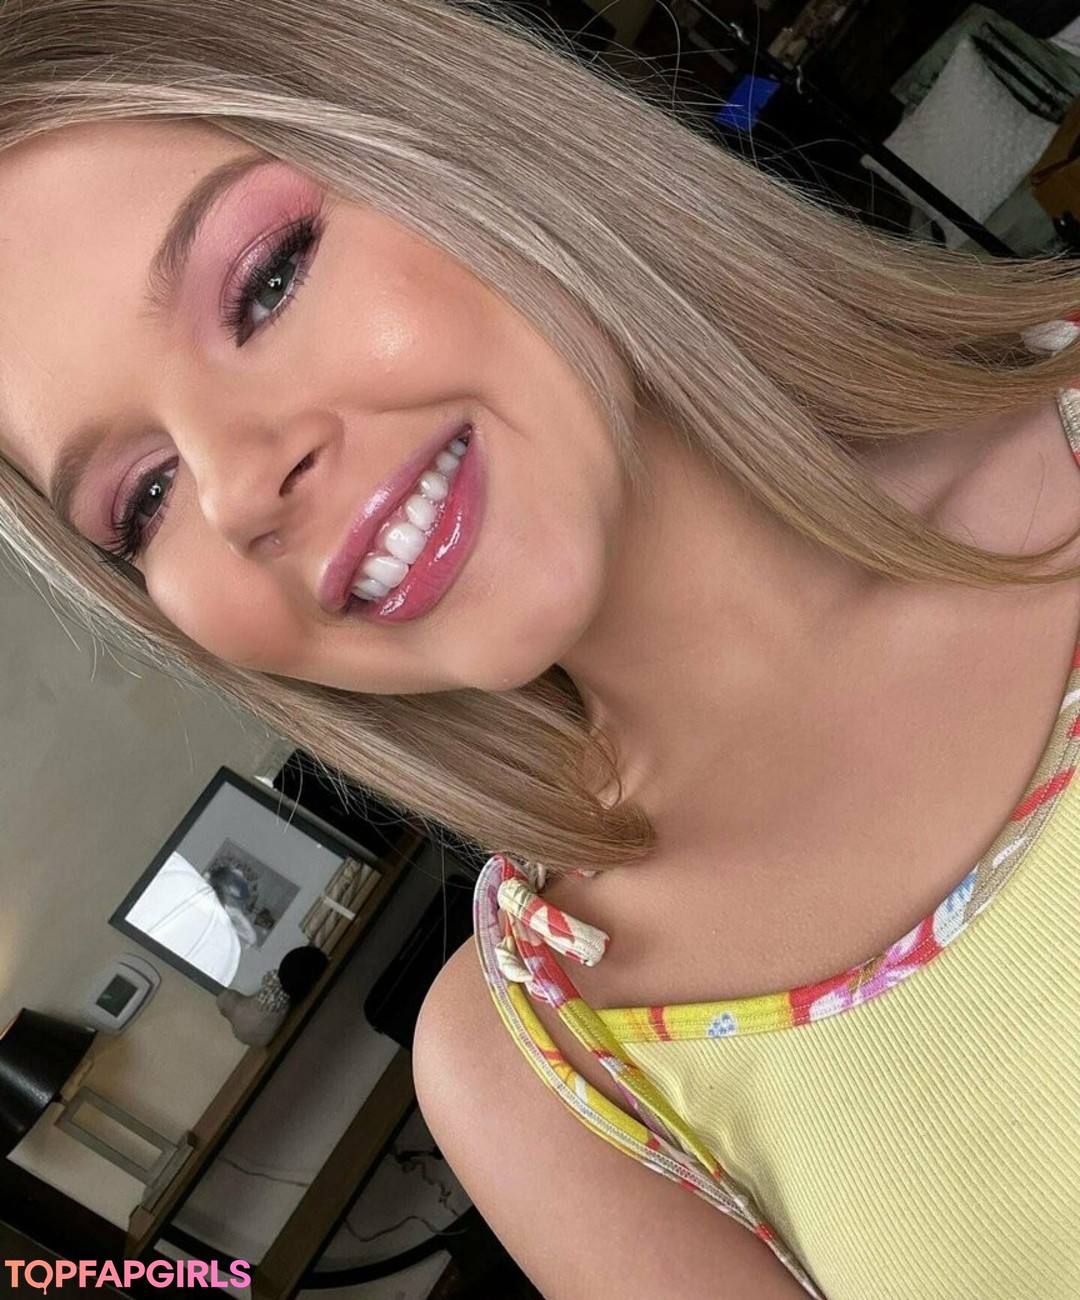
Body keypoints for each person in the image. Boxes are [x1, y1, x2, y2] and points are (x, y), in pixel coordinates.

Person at [0, 2, 1077, 1295]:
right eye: (144, 498)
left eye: (268, 279)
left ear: (476, 146)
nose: (235, 490)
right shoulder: (538, 1071)